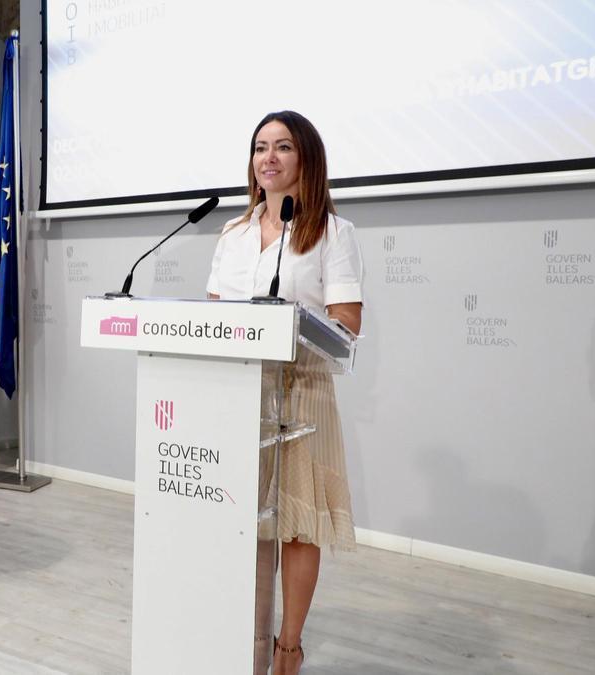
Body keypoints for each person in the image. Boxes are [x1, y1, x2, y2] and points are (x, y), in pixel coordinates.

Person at [205, 110, 363, 674]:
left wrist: (293, 322)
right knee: (244, 519)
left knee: (296, 524)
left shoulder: (332, 232)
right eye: (259, 147)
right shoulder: (233, 233)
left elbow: (346, 322)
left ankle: (288, 647)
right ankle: (247, 636)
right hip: (242, 392)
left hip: (303, 392)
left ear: (306, 159)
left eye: (282, 147)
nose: (267, 157)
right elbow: (216, 318)